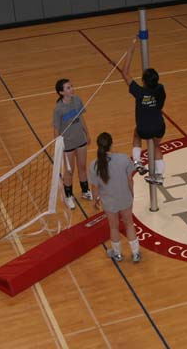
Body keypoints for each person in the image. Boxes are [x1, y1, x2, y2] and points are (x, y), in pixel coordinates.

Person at [119, 39, 167, 185]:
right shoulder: (160, 89)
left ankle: (137, 162)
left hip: (144, 128)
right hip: (159, 126)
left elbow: (125, 72)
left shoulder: (139, 92)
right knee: (156, 146)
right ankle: (158, 175)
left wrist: (131, 49)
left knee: (136, 134)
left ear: (143, 81)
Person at [89, 132, 141, 262]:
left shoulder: (94, 165)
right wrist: (131, 193)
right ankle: (135, 253)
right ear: (112, 144)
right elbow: (130, 180)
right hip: (125, 197)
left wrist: (95, 200)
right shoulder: (124, 158)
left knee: (113, 227)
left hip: (109, 201)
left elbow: (95, 187)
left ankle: (117, 254)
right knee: (129, 224)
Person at [53, 78, 93, 209]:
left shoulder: (77, 100)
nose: (72, 89)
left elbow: (81, 118)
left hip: (80, 140)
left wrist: (87, 134)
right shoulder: (59, 109)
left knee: (82, 167)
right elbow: (56, 129)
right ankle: (68, 196)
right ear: (61, 92)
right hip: (68, 145)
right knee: (69, 171)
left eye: (71, 86)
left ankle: (85, 191)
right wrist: (58, 147)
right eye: (68, 88)